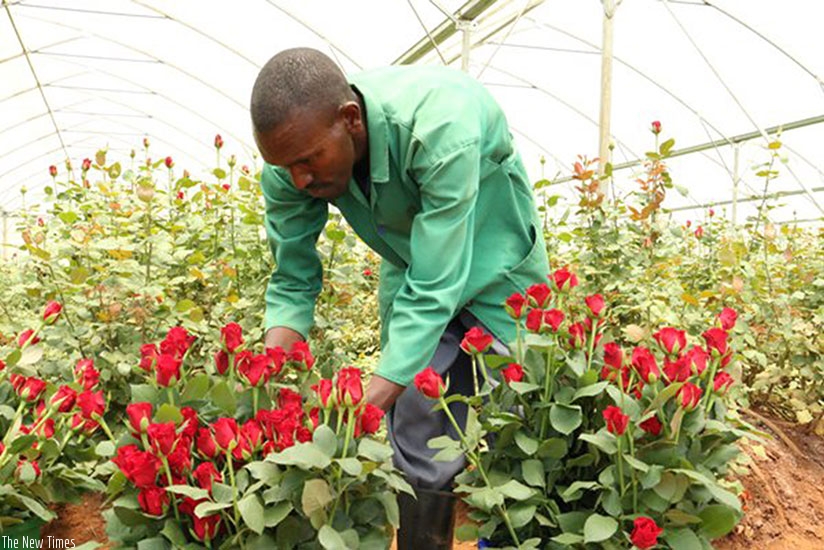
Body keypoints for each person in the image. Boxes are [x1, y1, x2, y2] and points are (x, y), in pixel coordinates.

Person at [250, 47, 549, 549]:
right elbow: (293, 278)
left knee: (517, 431)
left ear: (350, 120)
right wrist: (265, 382)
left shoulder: (440, 127)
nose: (299, 179)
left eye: (307, 162)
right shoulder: (291, 161)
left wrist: (359, 410)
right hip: (414, 273)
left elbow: (439, 283)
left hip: (502, 277)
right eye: (286, 167)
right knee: (415, 432)